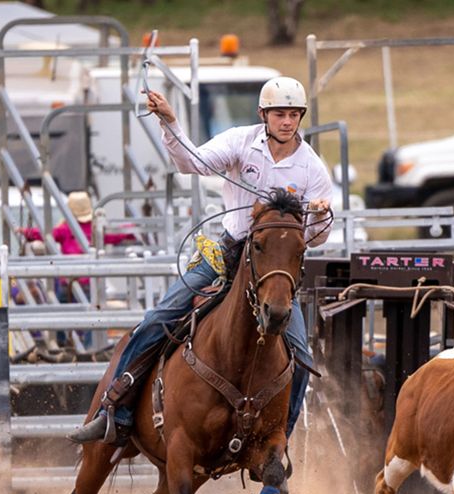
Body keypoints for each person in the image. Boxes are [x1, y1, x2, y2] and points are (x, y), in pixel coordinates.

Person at [70, 76, 333, 447]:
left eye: (293, 114)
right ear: (264, 115)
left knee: (301, 354)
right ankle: (115, 411)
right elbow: (193, 163)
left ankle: (279, 442)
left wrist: (320, 216)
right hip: (229, 253)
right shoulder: (241, 142)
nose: (286, 121)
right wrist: (170, 122)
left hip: (274, 266)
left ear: (300, 117)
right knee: (159, 317)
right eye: (279, 114)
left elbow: (316, 238)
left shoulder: (313, 169)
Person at [22, 191, 137, 300]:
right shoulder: (96, 228)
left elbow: (46, 235)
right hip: (90, 282)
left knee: (62, 311)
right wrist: (134, 228)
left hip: (68, 283)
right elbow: (118, 234)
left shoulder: (65, 229)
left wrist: (25, 232)